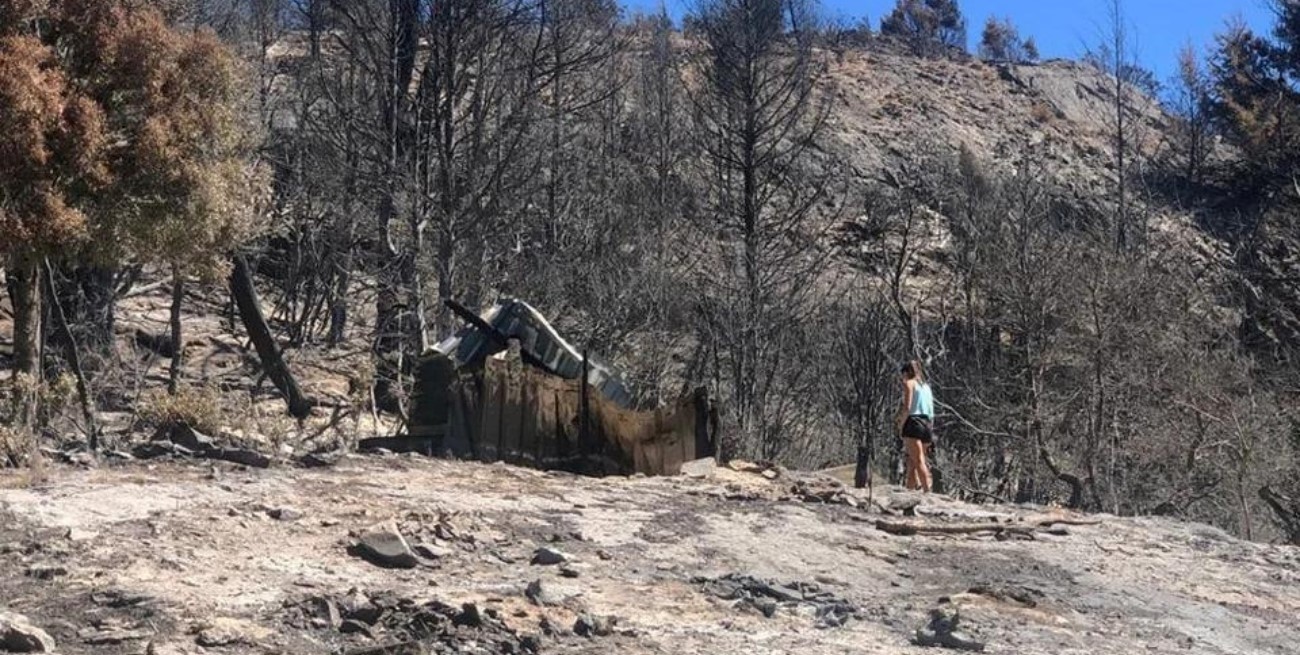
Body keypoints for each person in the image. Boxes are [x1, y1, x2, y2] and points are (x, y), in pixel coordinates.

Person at [895, 359, 934, 492]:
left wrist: (901, 425)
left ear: (906, 373)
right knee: (913, 461)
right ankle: (909, 490)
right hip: (927, 424)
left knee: (918, 461)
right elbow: (931, 410)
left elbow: (907, 406)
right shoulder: (926, 387)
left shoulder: (909, 384)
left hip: (913, 423)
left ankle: (927, 490)